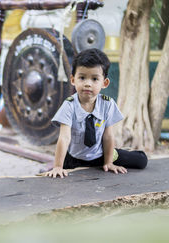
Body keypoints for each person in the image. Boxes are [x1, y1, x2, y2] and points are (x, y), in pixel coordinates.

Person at [45, 48, 147, 178]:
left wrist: (109, 162)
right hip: (74, 158)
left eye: (94, 79)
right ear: (73, 80)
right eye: (82, 78)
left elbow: (108, 136)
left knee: (141, 161)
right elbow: (64, 138)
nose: (88, 84)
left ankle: (114, 156)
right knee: (63, 180)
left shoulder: (107, 104)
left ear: (104, 83)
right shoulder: (69, 105)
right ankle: (55, 165)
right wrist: (58, 167)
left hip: (100, 155)